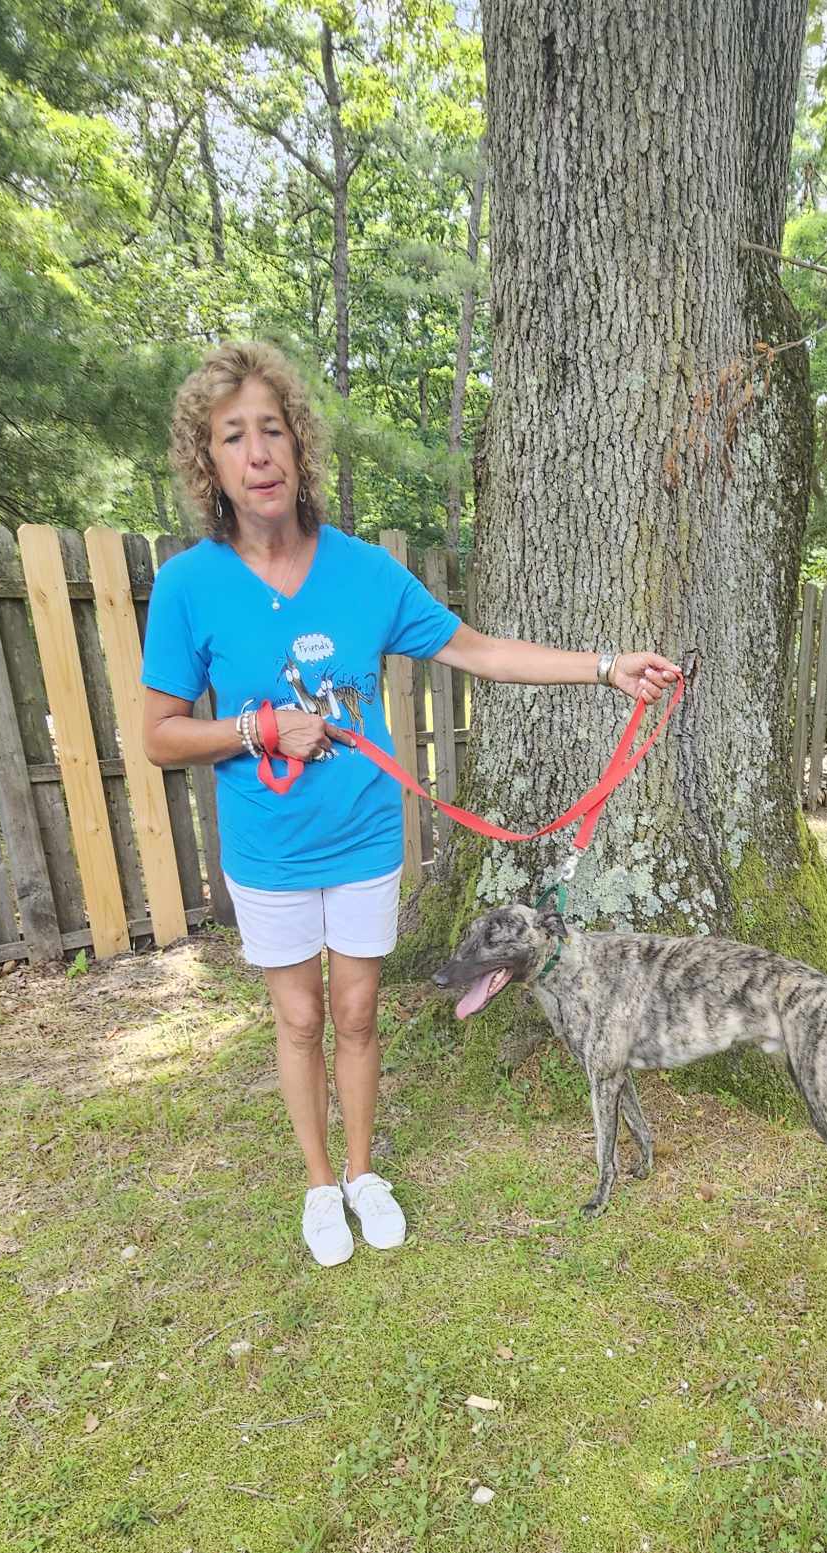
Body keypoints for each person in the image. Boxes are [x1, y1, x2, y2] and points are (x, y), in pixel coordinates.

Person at [142, 341, 682, 1267]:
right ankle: (318, 1184)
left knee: (355, 1014)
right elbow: (156, 735)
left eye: (272, 429)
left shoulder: (365, 573)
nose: (258, 452)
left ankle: (362, 1174)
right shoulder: (191, 584)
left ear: (299, 448)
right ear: (211, 463)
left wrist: (603, 668)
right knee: (300, 1019)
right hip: (268, 850)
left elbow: (480, 652)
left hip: (362, 839)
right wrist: (257, 729)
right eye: (235, 436)